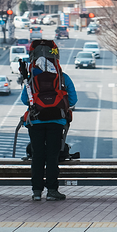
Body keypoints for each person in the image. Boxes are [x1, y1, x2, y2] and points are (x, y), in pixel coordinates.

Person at [21, 49, 78, 202]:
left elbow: (25, 100)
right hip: (56, 122)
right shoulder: (62, 77)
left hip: (36, 121)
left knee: (37, 156)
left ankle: (37, 191)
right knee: (52, 156)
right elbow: (73, 100)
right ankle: (52, 190)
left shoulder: (32, 78)